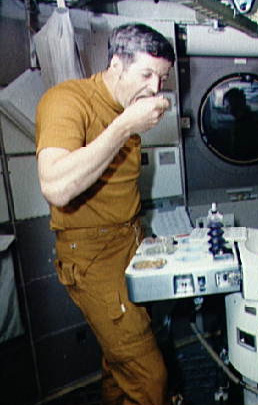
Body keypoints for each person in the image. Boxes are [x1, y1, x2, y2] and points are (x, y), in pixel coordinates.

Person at [35, 23, 175, 405]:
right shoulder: (67, 100)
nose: (155, 89)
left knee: (120, 362)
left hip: (130, 241)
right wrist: (124, 126)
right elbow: (56, 186)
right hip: (94, 258)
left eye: (161, 78)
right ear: (116, 64)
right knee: (150, 377)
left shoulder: (124, 109)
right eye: (146, 74)